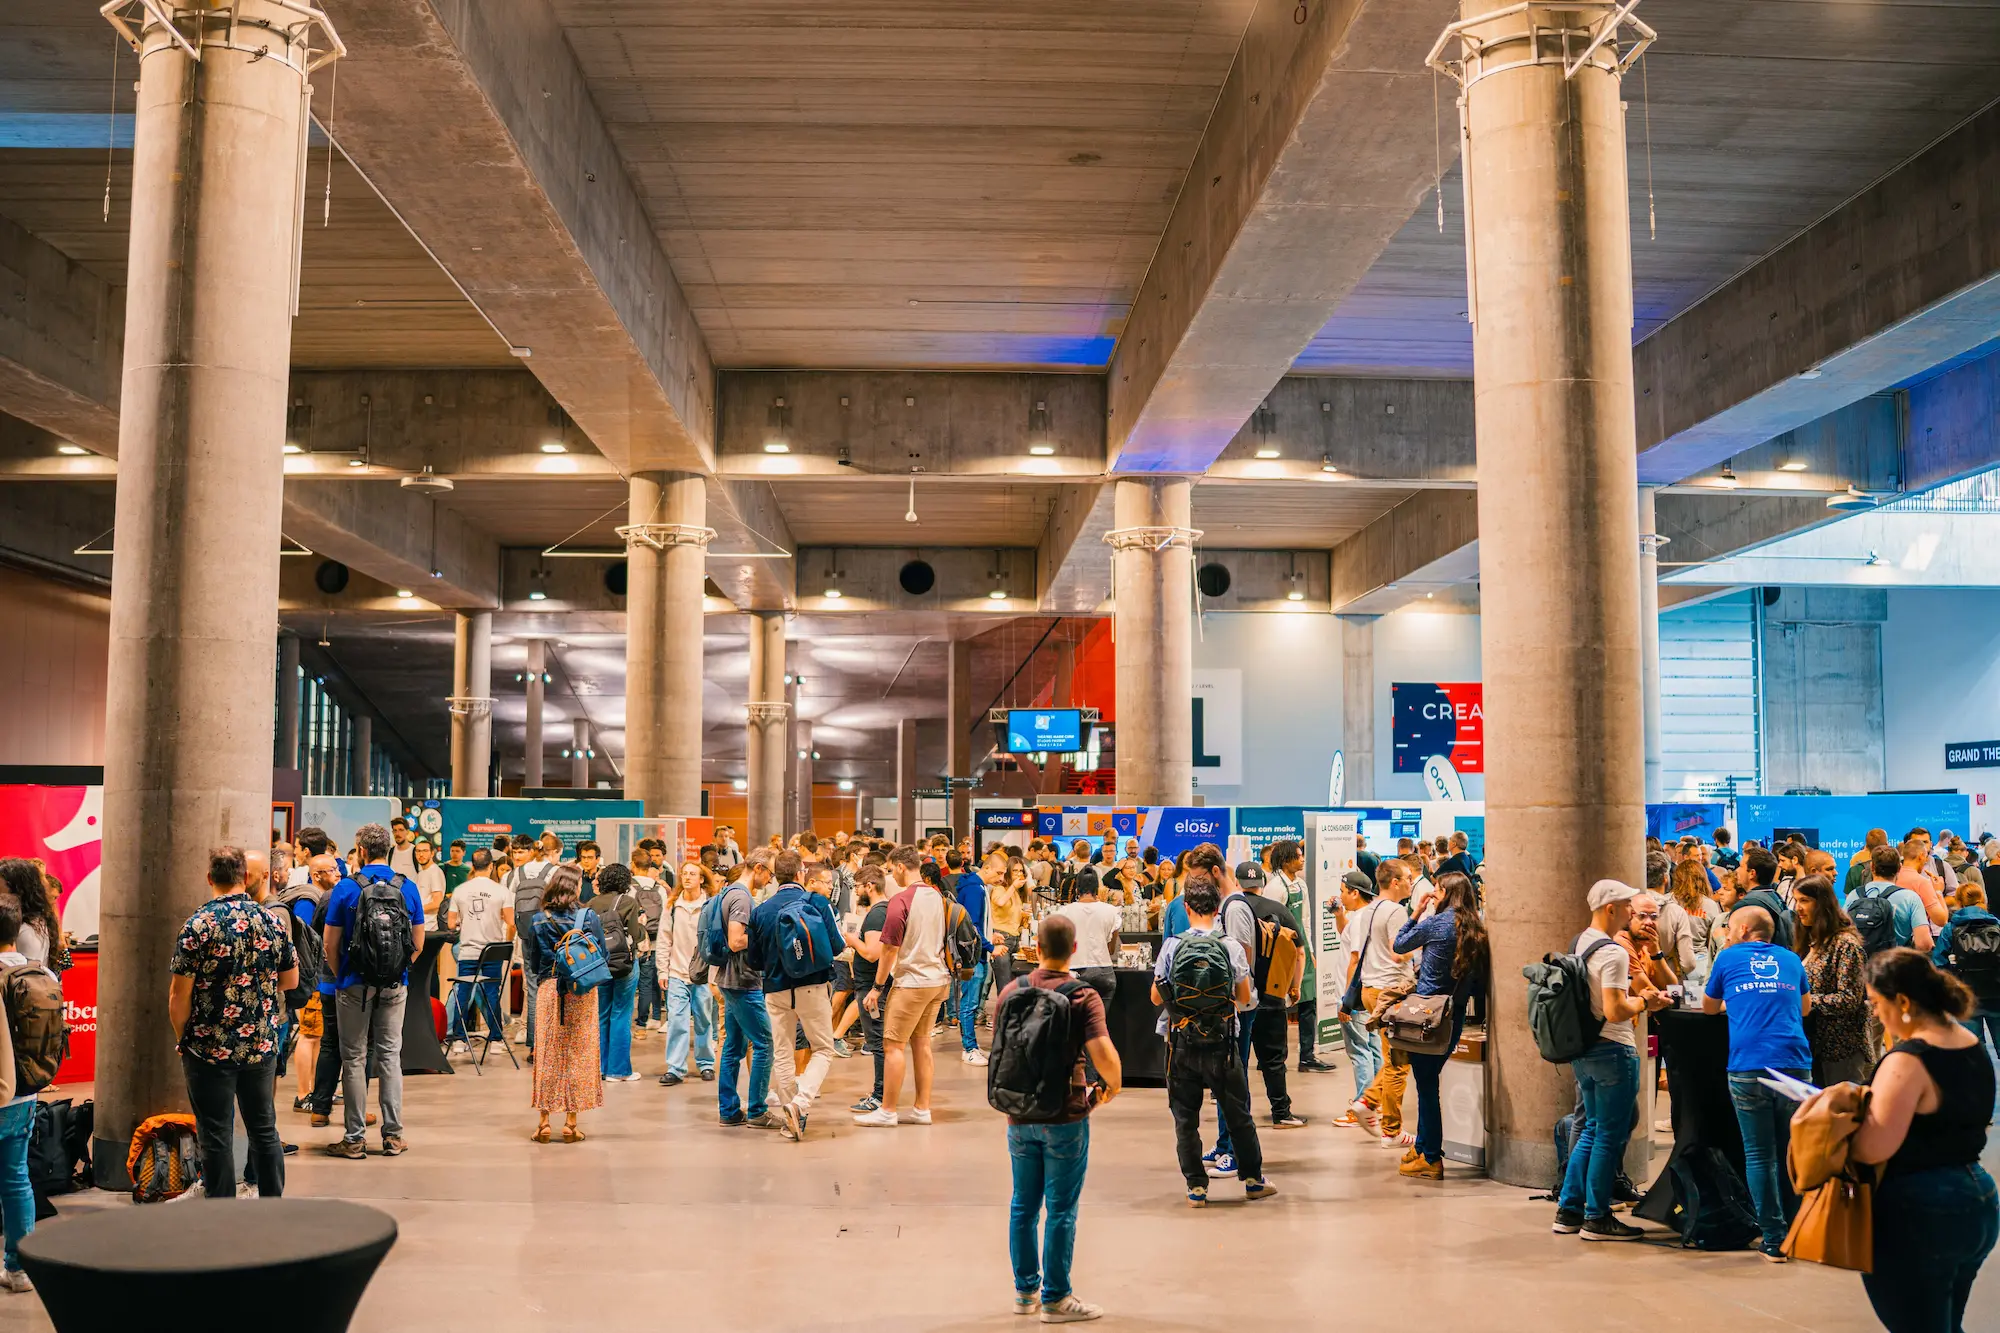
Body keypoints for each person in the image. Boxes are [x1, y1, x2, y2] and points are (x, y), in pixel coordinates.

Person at [1848, 948, 1998, 1333]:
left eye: (1878, 1004)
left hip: (1920, 1210)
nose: (1876, 1014)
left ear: (1902, 1001)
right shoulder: (1967, 1041)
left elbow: (1873, 1147)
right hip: (1975, 1196)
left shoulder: (1908, 1060)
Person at [990, 912, 1120, 1325]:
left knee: (1022, 1205)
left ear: (1038, 948)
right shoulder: (1083, 995)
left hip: (1018, 1113)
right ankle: (1057, 1298)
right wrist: (1108, 1089)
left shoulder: (1012, 988)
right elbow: (1104, 1056)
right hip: (1065, 1114)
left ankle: (1024, 1292)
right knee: (1061, 1208)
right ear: (1075, 949)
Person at [168, 846, 297, 1199]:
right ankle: (273, 1204)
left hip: (209, 1048)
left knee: (215, 1135)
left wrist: (184, 1038)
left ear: (210, 878)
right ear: (245, 878)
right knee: (264, 1129)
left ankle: (221, 1214)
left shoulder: (198, 925)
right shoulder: (271, 920)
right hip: (260, 1044)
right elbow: (291, 980)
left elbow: (179, 995)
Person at [1554, 880, 1670, 1241]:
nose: (1631, 913)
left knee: (1590, 1129)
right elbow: (1616, 1009)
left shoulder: (1580, 942)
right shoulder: (1614, 953)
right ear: (1610, 909)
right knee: (1608, 1134)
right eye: (1626, 907)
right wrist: (1646, 1002)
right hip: (1612, 1050)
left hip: (1585, 1050)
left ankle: (1569, 1210)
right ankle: (1597, 1216)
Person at [1152, 873, 1277, 1207]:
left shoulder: (1173, 946)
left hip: (1181, 1044)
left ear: (1188, 907)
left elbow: (1154, 996)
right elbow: (1244, 995)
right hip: (1224, 1045)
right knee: (1238, 1115)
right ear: (1218, 907)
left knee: (1185, 1119)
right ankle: (1252, 1180)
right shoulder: (1230, 946)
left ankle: (1196, 1187)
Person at [1703, 905, 1812, 1260]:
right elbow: (1806, 1008)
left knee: (1759, 1155)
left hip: (1748, 1065)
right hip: (1794, 1064)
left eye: (1731, 928)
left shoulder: (1728, 956)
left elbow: (1708, 1008)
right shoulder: (1793, 960)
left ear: (1745, 929)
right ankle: (1800, 1232)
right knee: (1793, 1152)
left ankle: (1774, 1238)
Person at [319, 822, 424, 1159]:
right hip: (395, 985)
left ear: (361, 850)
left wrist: (344, 975)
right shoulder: (407, 888)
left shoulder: (346, 889)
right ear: (389, 849)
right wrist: (397, 969)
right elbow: (417, 943)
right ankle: (393, 1136)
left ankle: (354, 1139)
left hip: (353, 984)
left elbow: (329, 945)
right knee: (390, 1056)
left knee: (353, 1058)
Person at [1391, 871, 1487, 1179]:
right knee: (1428, 1082)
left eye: (1436, 888)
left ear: (1445, 892)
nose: (1433, 892)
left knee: (1426, 1086)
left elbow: (1400, 944)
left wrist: (1416, 912)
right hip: (1453, 1016)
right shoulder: (1476, 927)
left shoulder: (1436, 923)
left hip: (1427, 1017)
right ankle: (1422, 1147)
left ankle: (1431, 1156)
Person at [855, 845, 951, 1128]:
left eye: (889, 869)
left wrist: (877, 986)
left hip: (911, 982)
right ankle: (922, 1109)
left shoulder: (901, 900)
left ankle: (887, 1110)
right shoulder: (936, 896)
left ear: (899, 867)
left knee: (892, 1046)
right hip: (938, 979)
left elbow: (888, 950)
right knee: (922, 1044)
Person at [750, 852, 844, 1140]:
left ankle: (794, 1120)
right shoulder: (817, 902)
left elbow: (754, 960)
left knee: (782, 1051)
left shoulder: (761, 910)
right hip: (813, 985)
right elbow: (837, 946)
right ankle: (799, 1105)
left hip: (775, 989)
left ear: (775, 875)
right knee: (824, 1049)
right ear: (801, 874)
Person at [520, 865, 604, 1143]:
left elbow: (533, 963)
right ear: (574, 887)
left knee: (548, 1055)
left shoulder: (537, 920)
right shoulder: (588, 917)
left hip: (549, 991)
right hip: (581, 993)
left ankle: (544, 1122)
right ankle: (571, 1123)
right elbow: (599, 954)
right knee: (578, 1055)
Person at [1352, 859, 1418, 1151]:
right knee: (1398, 1064)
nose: (1410, 882)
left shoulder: (1369, 910)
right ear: (1394, 882)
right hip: (1390, 991)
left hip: (1371, 990)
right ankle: (1390, 1129)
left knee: (1394, 1057)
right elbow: (1397, 953)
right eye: (1406, 878)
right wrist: (1419, 946)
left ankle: (1370, 1101)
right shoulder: (1395, 911)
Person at [716, 850, 780, 1129]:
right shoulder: (742, 897)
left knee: (733, 1047)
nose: (770, 879)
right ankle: (757, 1110)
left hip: (731, 978)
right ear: (758, 868)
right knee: (765, 1043)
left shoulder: (729, 892)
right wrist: (764, 933)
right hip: (743, 981)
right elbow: (735, 941)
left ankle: (729, 1110)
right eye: (770, 873)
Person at [1794, 874, 1869, 1086]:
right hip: (1814, 1044)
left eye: (1805, 901)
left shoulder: (1846, 945)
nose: (1798, 908)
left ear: (1822, 903)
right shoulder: (1810, 941)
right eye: (1796, 900)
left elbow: (1849, 998)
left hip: (1841, 1048)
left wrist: (1806, 1002)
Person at [444, 848, 514, 1054]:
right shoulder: (502, 891)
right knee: (491, 993)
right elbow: (511, 922)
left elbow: (450, 923)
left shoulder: (460, 891)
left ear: (472, 866)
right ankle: (495, 1040)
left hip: (468, 951)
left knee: (463, 993)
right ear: (491, 866)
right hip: (492, 951)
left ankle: (458, 1039)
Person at [1328, 870, 1383, 1127]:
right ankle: (1373, 1103)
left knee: (1360, 1051)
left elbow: (1354, 959)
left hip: (1356, 998)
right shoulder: (1364, 917)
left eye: (1343, 891)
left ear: (1355, 893)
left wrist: (1348, 1000)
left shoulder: (1362, 919)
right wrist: (1339, 915)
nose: (1340, 896)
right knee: (1373, 1048)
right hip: (1367, 994)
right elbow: (1345, 935)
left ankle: (1363, 1106)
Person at [656, 853, 717, 1086]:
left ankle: (706, 1063)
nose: (688, 877)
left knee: (703, 1020)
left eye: (693, 874)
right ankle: (675, 1067)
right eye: (685, 874)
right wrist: (663, 971)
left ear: (702, 879)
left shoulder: (710, 905)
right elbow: (664, 939)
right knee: (677, 1021)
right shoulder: (672, 906)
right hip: (677, 973)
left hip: (703, 975)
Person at [588, 862, 645, 1083]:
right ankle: (619, 1071)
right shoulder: (629, 902)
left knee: (601, 1014)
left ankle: (599, 1068)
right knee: (621, 1014)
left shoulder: (591, 903)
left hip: (599, 964)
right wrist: (641, 925)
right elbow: (635, 935)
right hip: (624, 965)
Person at [1933, 882, 2000, 1063]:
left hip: (1966, 996)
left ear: (1959, 903)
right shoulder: (1997, 926)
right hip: (1996, 994)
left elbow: (1939, 964)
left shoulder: (1950, 929)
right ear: (1983, 900)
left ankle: (1982, 1089)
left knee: (1974, 1052)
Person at [845, 866, 891, 1113]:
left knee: (877, 1042)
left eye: (858, 887)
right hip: (875, 985)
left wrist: (852, 940)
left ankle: (880, 1095)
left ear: (869, 886)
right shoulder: (886, 910)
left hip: (872, 987)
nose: (856, 892)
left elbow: (872, 953)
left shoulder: (876, 915)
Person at [945, 850, 991, 1065]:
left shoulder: (976, 886)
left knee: (970, 1002)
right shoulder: (974, 888)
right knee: (969, 1003)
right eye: (1000, 872)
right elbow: (973, 927)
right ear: (988, 868)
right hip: (973, 956)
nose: (1002, 877)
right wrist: (989, 945)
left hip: (975, 954)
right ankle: (969, 1048)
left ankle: (972, 1045)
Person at [1053, 872, 1121, 1009]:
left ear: (1077, 890)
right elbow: (1111, 949)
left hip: (1074, 971)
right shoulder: (1112, 911)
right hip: (1104, 972)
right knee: (1099, 1023)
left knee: (1074, 1024)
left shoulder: (1064, 912)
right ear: (1097, 890)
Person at [1665, 854, 1722, 982]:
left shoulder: (1668, 901)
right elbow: (1712, 939)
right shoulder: (1710, 905)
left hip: (1673, 964)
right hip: (1700, 965)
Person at [411, 835, 447, 920]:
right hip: (420, 922)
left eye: (425, 851)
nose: (421, 854)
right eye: (418, 851)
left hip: (430, 926)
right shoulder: (421, 873)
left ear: (432, 853)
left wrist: (416, 910)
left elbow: (437, 903)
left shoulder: (435, 872)